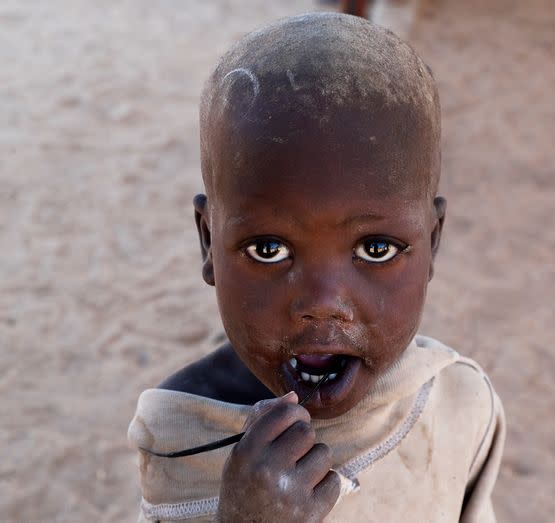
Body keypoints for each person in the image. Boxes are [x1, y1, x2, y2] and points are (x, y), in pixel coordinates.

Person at [128, 12, 505, 522]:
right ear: (207, 240)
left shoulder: (457, 403)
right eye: (268, 249)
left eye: (376, 249)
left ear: (432, 242)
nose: (324, 302)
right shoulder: (179, 438)